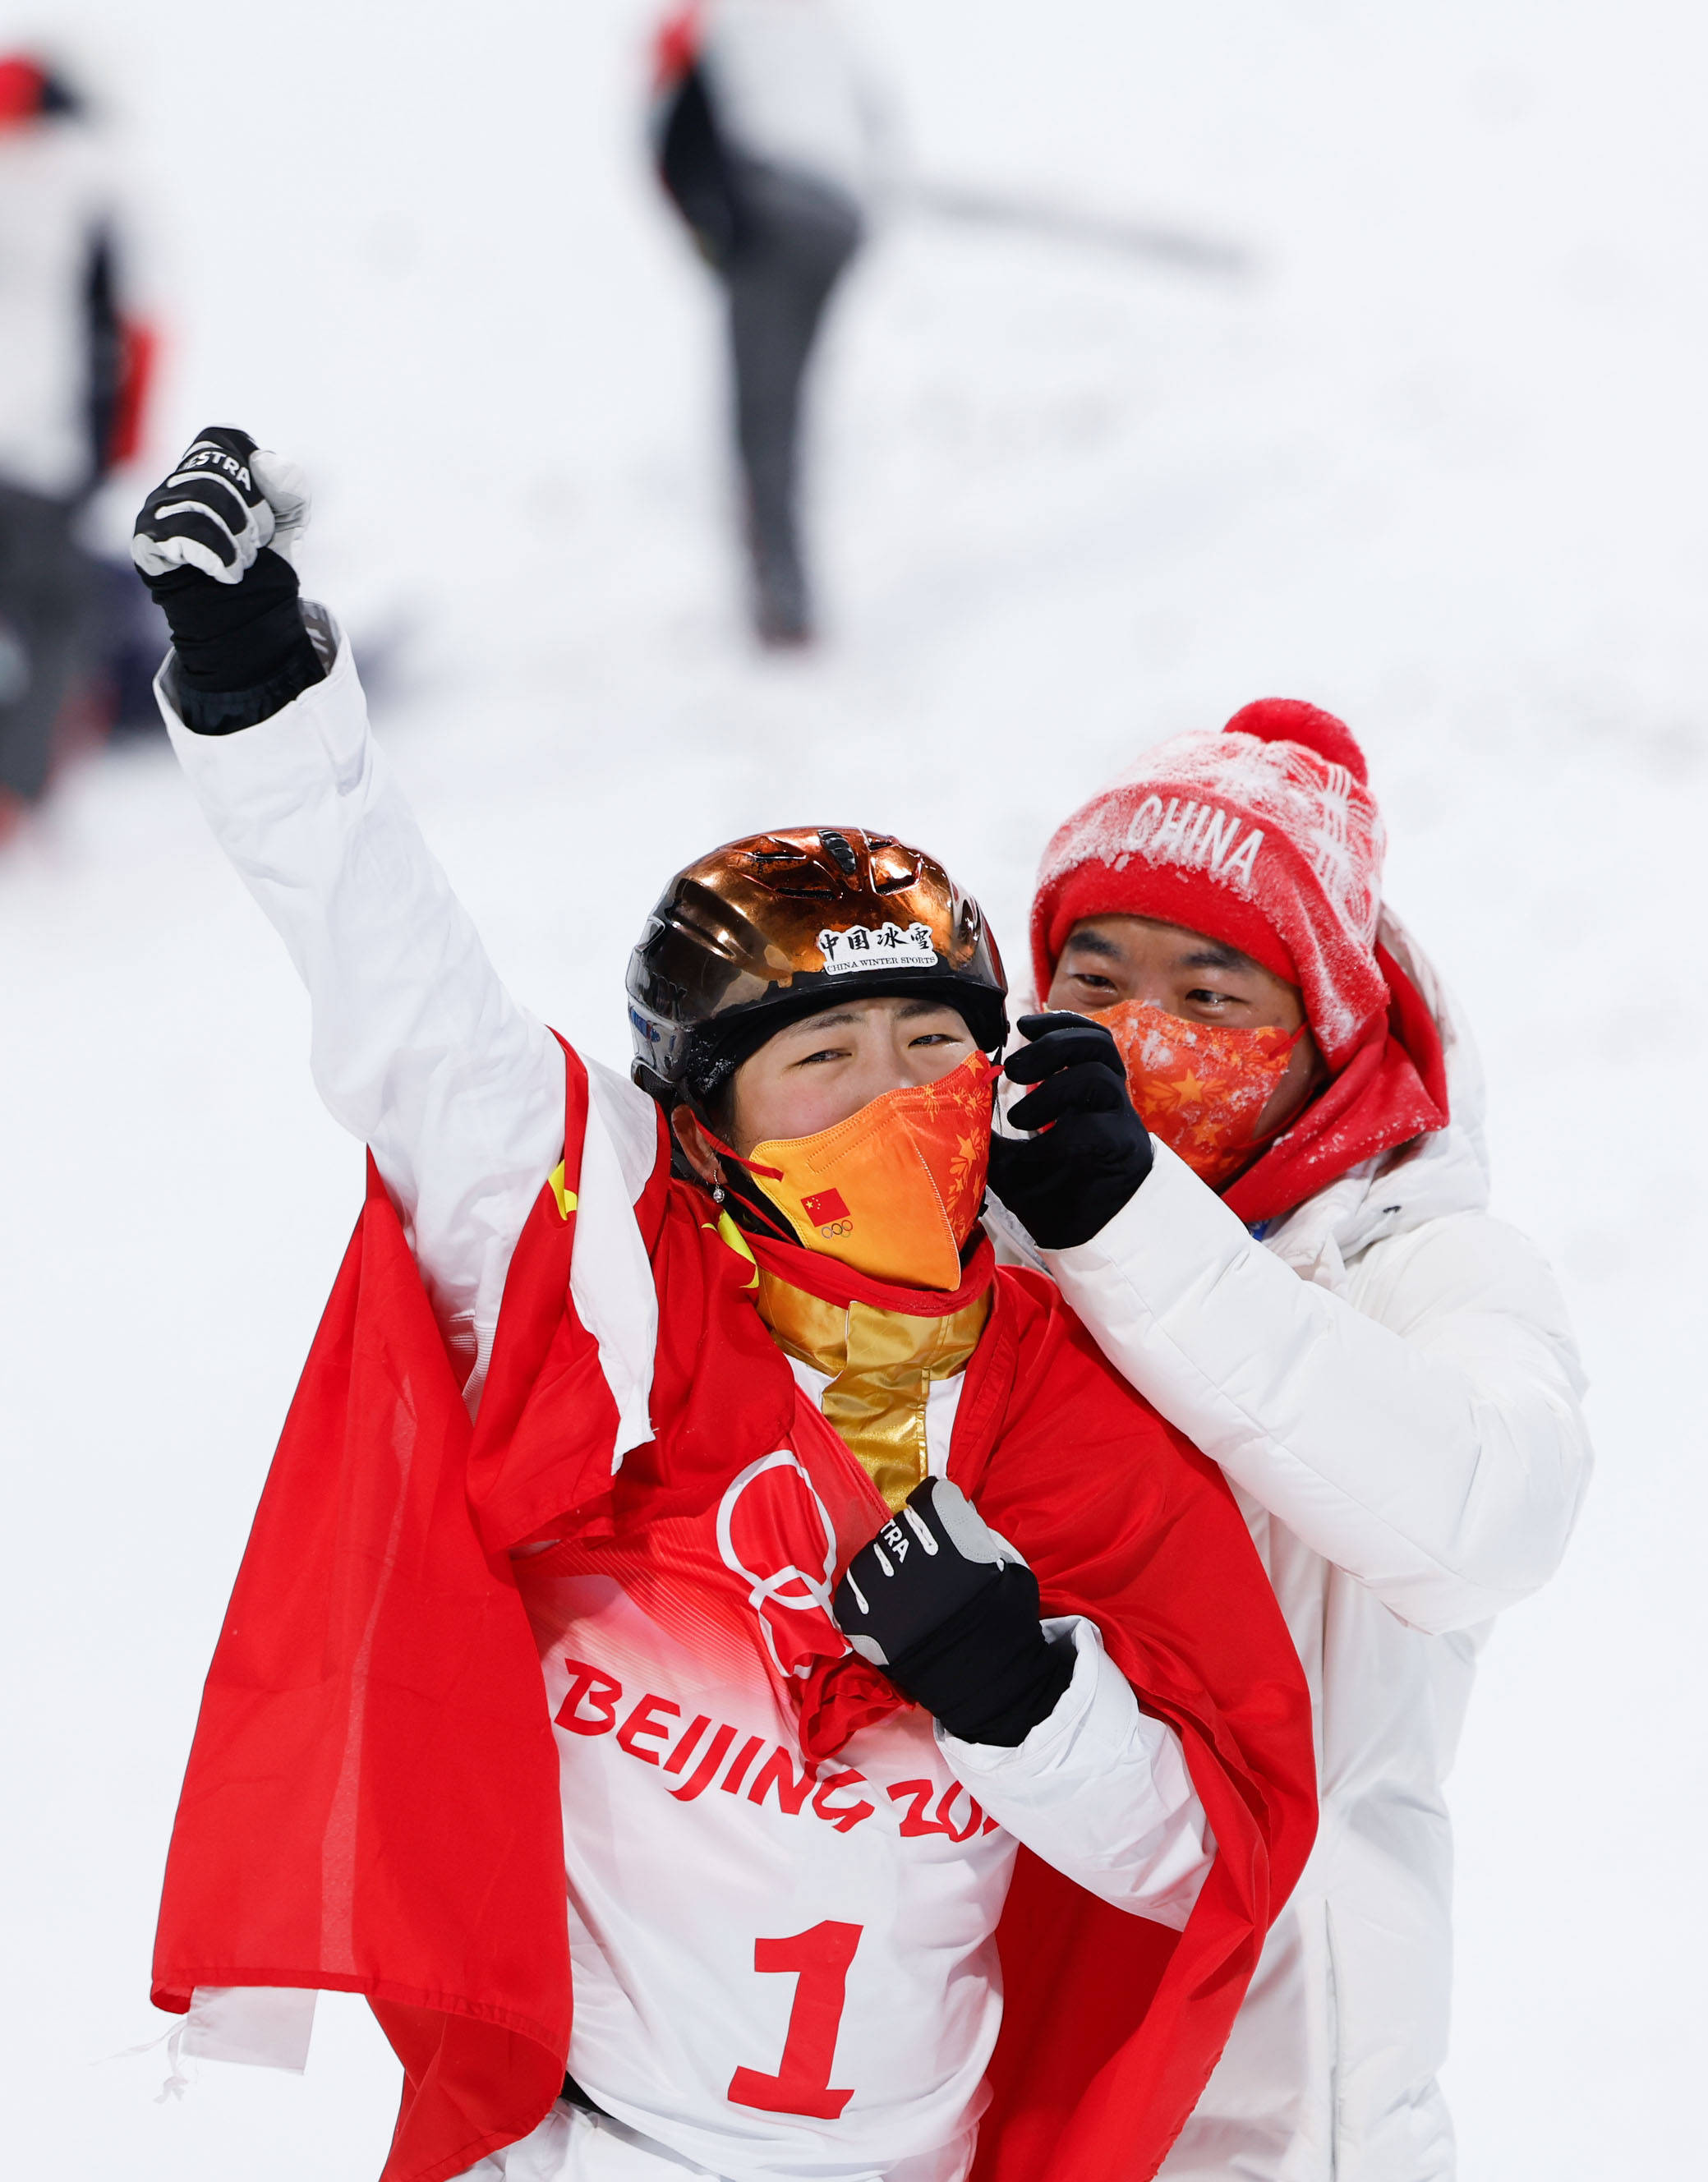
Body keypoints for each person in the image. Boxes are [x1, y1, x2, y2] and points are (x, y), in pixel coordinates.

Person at [131, 431, 1317, 2182]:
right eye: (819, 1058)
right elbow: (416, 1026)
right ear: (703, 1122)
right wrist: (263, 699)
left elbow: (1191, 1865)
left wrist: (1020, 1694)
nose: (891, 1093)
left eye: (934, 1045)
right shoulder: (626, 1287)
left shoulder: (1067, 1399)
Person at [983, 699, 1593, 2181]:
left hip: (1284, 2110)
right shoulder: (970, 1257)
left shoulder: (1429, 1270)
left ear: (1320, 1037)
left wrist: (1133, 1230)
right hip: (977, 2071)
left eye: (1212, 993)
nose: (1144, 1032)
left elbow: (1481, 1521)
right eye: (1096, 973)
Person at [650, 0, 873, 647]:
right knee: (787, 414)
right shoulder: (817, 18)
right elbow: (875, 116)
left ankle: (783, 612)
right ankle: (788, 598)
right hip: (838, 215)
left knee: (762, 426)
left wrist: (716, 233)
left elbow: (671, 136)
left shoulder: (700, 17)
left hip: (771, 209)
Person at [0, 51, 154, 836]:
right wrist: (113, 450)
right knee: (56, 621)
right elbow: (132, 330)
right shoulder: (87, 188)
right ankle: (17, 793)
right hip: (42, 456)